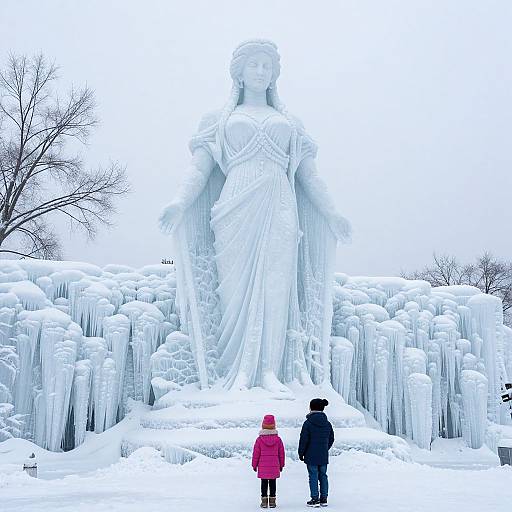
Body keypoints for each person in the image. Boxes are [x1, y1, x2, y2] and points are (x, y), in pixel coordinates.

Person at [298, 399, 335, 507]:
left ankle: (315, 499)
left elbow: (303, 439)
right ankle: (324, 498)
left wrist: (301, 453)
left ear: (311, 408)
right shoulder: (327, 423)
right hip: (323, 455)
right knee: (323, 475)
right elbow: (331, 438)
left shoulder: (308, 423)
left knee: (313, 475)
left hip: (311, 455)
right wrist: (325, 448)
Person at [252, 414, 285, 508]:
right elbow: (281, 454)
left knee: (264, 483)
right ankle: (272, 501)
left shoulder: (259, 440)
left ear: (263, 425)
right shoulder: (278, 440)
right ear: (274, 425)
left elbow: (256, 454)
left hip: (262, 466)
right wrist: (281, 464)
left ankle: (264, 501)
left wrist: (254, 465)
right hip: (274, 466)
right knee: (273, 482)